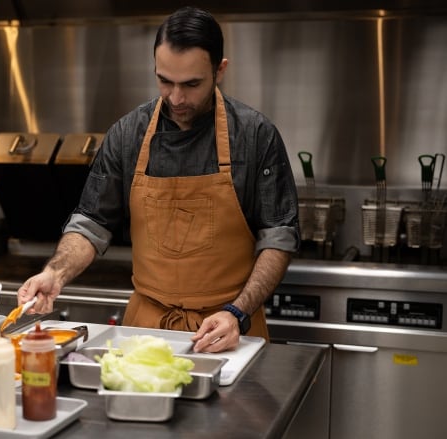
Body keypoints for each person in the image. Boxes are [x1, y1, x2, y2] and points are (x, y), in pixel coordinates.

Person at [16, 6, 299, 353]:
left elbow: (278, 238)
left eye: (192, 84)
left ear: (219, 70)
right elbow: (92, 223)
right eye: (165, 81)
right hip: (145, 332)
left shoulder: (256, 136)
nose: (177, 98)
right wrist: (55, 274)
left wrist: (237, 312)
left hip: (227, 332)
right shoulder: (128, 134)